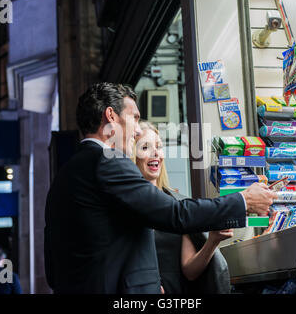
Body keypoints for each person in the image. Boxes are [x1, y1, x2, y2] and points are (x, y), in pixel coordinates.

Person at [44, 82, 277, 294]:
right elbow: (174, 214)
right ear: (111, 116)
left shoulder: (64, 176)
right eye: (134, 117)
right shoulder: (108, 160)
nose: (136, 131)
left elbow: (53, 269)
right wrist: (243, 200)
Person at [133, 121, 233, 294]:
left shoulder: (177, 204)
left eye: (159, 146)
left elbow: (190, 271)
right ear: (132, 156)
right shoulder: (125, 207)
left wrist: (212, 241)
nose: (156, 153)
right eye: (145, 148)